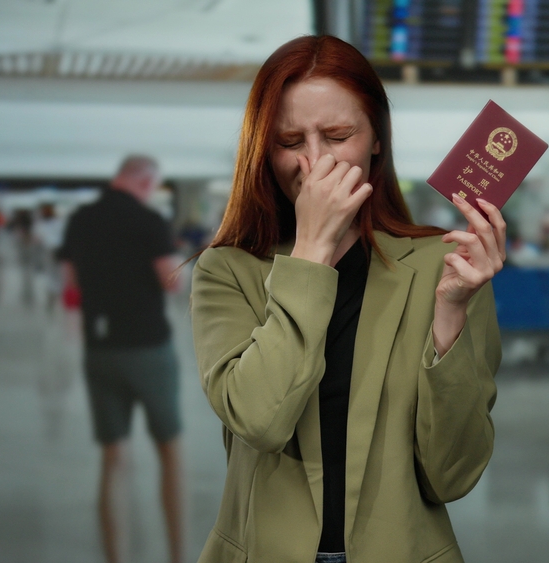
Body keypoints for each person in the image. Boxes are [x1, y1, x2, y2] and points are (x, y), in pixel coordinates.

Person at [190, 36, 503, 563]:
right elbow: (260, 421)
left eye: (337, 135)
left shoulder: (443, 266)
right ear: (263, 150)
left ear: (376, 139)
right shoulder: (227, 270)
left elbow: (453, 474)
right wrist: (311, 252)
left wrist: (449, 315)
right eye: (290, 141)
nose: (314, 163)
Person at [57, 156, 183, 563]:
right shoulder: (148, 221)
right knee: (170, 450)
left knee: (114, 459)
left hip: (100, 349)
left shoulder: (80, 219)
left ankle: (116, 557)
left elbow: (70, 281)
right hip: (148, 347)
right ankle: (178, 555)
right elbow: (172, 282)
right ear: (145, 181)